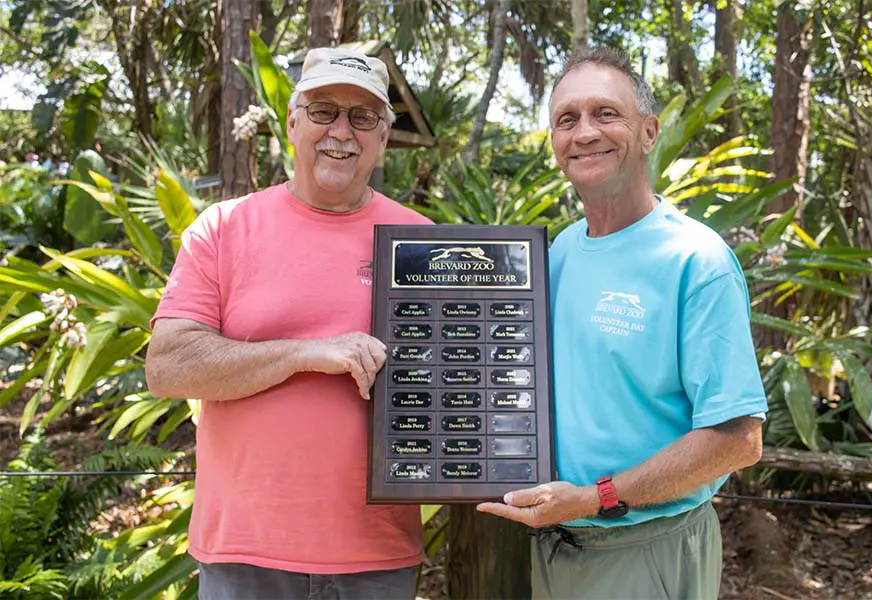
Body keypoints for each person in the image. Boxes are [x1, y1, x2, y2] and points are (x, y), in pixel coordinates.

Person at [477, 46, 767, 599]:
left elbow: (737, 439)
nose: (584, 132)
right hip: (553, 544)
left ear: (650, 131)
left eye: (605, 114)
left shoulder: (695, 260)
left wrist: (596, 498)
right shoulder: (557, 252)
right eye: (567, 119)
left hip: (646, 547)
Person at [145, 47, 431, 600]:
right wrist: (306, 353)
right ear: (293, 122)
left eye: (362, 116)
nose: (341, 132)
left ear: (382, 137)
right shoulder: (224, 227)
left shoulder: (422, 239)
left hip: (376, 552)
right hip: (245, 551)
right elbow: (168, 366)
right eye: (324, 110)